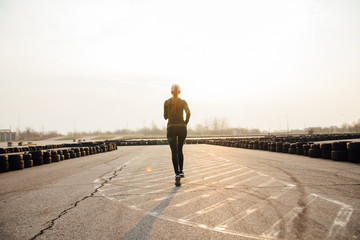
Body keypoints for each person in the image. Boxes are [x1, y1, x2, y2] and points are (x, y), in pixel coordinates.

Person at [164, 84, 191, 186]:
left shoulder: (166, 102)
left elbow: (165, 117)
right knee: (180, 149)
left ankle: (176, 174)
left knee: (174, 151)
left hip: (171, 128)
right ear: (180, 92)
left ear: (171, 92)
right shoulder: (183, 102)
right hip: (182, 129)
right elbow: (188, 112)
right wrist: (185, 122)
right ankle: (181, 170)